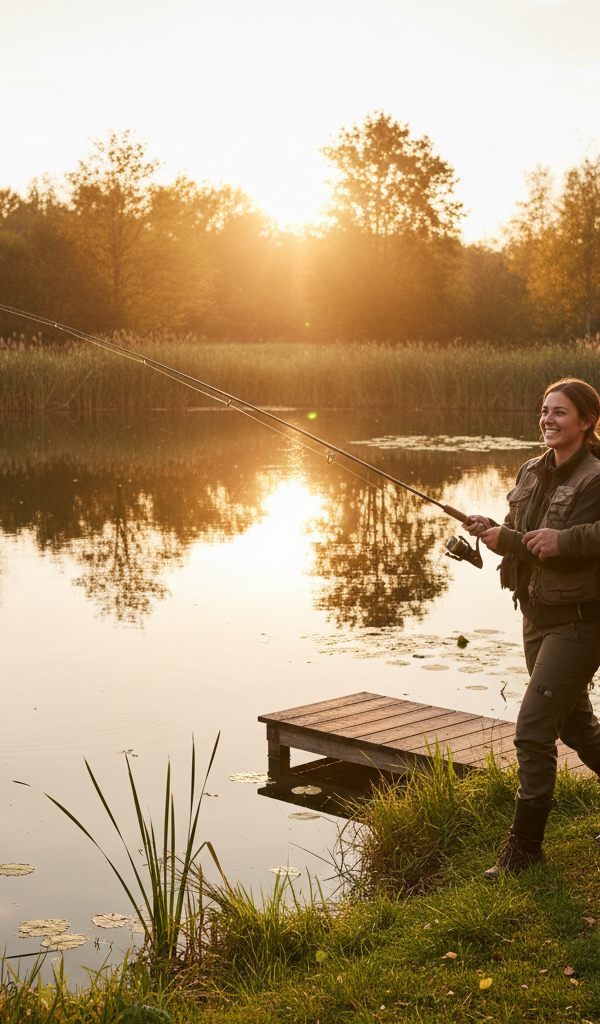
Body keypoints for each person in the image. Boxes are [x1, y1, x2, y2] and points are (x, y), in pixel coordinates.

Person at [464, 377, 600, 879]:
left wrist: (521, 541)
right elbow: (521, 532)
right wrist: (491, 529)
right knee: (572, 725)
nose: (548, 419)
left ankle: (524, 850)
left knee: (533, 729)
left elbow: (565, 549)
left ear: (586, 422)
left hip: (580, 621)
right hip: (536, 615)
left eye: (560, 412)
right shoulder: (530, 469)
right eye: (545, 410)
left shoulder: (596, 478)